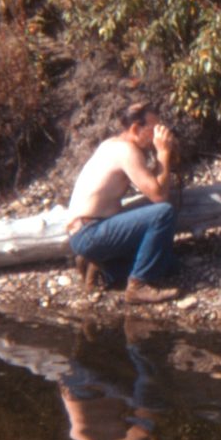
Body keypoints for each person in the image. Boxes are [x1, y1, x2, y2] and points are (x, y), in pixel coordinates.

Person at [65, 100, 181, 303]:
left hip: (86, 232)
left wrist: (166, 156)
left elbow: (152, 185)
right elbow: (159, 196)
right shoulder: (127, 151)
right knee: (163, 213)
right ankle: (138, 286)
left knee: (168, 264)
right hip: (90, 232)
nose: (156, 135)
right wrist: (163, 153)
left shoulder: (111, 145)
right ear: (135, 128)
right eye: (153, 129)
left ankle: (104, 269)